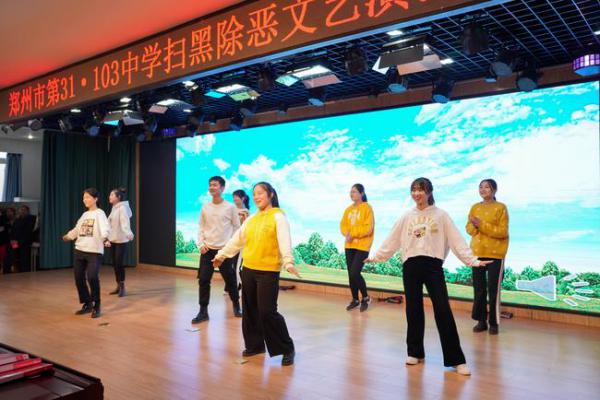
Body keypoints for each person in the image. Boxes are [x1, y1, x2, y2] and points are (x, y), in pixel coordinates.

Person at [366, 178, 491, 376]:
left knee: (443, 310)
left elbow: (456, 240)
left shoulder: (441, 215)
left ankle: (456, 360)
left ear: (429, 192)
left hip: (433, 266)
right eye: (414, 190)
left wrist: (473, 260)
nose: (417, 194)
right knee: (413, 309)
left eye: (421, 190)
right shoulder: (407, 216)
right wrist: (376, 257)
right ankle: (414, 352)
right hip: (410, 265)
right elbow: (392, 239)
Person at [213, 182, 300, 366]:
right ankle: (255, 346)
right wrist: (222, 255)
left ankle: (287, 348)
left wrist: (288, 261)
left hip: (268, 271)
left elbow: (284, 240)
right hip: (248, 269)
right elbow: (237, 240)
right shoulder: (251, 219)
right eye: (254, 194)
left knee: (267, 311)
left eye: (260, 193)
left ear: (271, 194)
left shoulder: (278, 217)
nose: (256, 197)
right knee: (250, 310)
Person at [193, 176, 242, 324]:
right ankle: (203, 311)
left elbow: (237, 228)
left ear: (222, 188)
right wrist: (201, 244)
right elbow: (201, 227)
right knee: (203, 280)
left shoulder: (230, 207)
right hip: (207, 250)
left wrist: (229, 247)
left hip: (224, 251)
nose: (211, 187)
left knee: (230, 280)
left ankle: (236, 305)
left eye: (215, 185)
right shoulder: (205, 207)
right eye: (210, 185)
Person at [466, 179, 509, 335]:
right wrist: (474, 225)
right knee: (479, 289)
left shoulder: (501, 207)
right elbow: (469, 230)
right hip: (477, 254)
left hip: (496, 255)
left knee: (493, 290)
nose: (483, 189)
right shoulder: (475, 207)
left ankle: (494, 323)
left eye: (487, 187)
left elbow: (502, 232)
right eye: (480, 187)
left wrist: (481, 224)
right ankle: (481, 321)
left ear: (494, 190)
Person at [63, 188, 110, 318]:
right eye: (84, 197)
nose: (85, 200)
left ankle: (96, 305)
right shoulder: (84, 215)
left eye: (88, 197)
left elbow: (105, 228)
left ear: (95, 199)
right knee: (78, 278)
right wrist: (69, 236)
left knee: (92, 277)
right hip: (80, 249)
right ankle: (87, 303)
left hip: (94, 251)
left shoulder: (100, 213)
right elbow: (78, 229)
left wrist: (105, 238)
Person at [340, 184, 374, 312]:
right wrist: (347, 234)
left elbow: (368, 228)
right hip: (349, 245)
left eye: (354, 191)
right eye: (351, 192)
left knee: (355, 272)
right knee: (351, 274)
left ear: (362, 193)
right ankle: (355, 299)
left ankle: (365, 297)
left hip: (362, 246)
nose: (351, 194)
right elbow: (343, 225)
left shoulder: (367, 208)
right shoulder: (348, 209)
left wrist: (352, 233)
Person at [107, 187, 135, 297]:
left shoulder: (122, 208)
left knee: (119, 263)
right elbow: (110, 225)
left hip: (121, 240)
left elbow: (125, 222)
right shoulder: (114, 208)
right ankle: (118, 285)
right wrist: (107, 237)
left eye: (112, 195)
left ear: (118, 197)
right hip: (113, 239)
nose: (109, 197)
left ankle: (122, 287)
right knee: (115, 264)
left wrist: (128, 233)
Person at [231, 189, 251, 293]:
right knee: (230, 266)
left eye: (236, 197)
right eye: (233, 197)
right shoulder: (231, 210)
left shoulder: (245, 212)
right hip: (231, 242)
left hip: (241, 243)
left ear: (242, 198)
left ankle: (239, 286)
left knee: (236, 266)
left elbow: (245, 227)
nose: (234, 199)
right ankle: (231, 286)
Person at [11, 205, 36, 272]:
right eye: (21, 210)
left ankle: (25, 272)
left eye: (24, 210)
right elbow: (13, 230)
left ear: (28, 211)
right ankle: (18, 271)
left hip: (24, 243)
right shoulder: (17, 220)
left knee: (24, 259)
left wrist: (20, 241)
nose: (22, 211)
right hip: (15, 242)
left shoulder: (30, 219)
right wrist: (12, 239)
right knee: (15, 257)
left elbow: (28, 232)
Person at [2, 207, 16, 274]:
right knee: (6, 256)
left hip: (15, 241)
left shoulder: (17, 220)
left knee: (14, 254)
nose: (8, 213)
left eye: (10, 211)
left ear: (13, 212)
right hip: (6, 241)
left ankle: (14, 268)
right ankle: (6, 270)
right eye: (7, 212)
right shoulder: (5, 221)